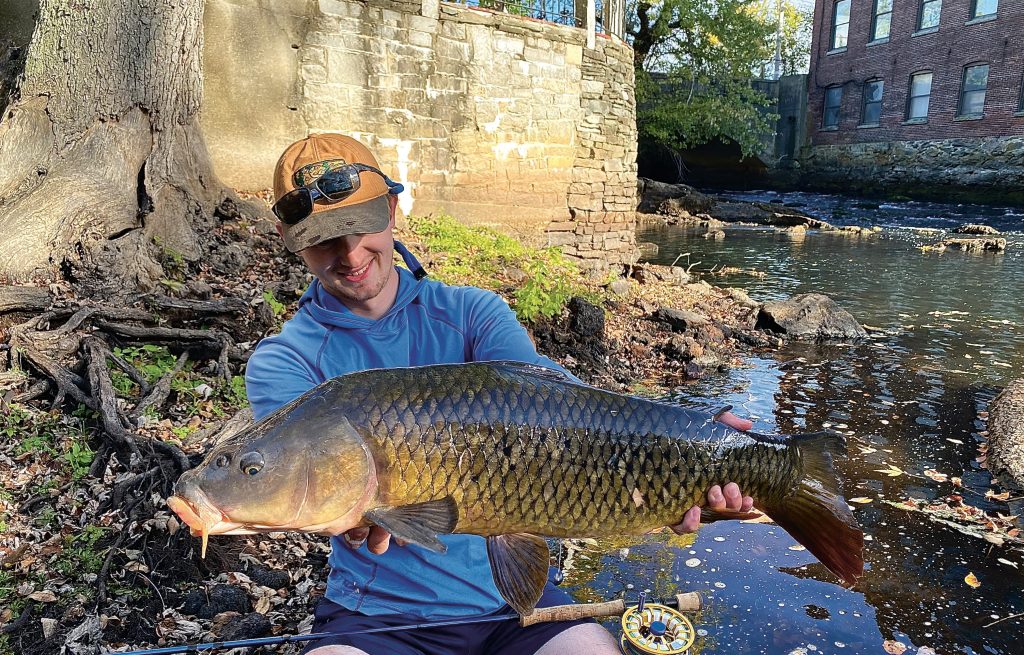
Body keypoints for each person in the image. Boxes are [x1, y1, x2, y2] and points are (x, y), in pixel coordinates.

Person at [245, 133, 754, 655]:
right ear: (289, 238)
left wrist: (691, 447)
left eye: (361, 227)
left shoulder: (474, 313)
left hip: (511, 605)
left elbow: (564, 414)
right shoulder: (283, 363)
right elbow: (306, 486)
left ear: (392, 209)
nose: (351, 253)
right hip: (374, 615)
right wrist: (353, 522)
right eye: (325, 237)